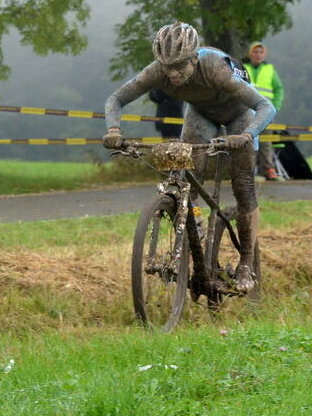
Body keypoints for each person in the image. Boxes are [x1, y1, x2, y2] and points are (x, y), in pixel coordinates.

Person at [104, 22, 276, 293]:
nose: (173, 74)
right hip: (201, 114)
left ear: (194, 58)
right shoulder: (158, 71)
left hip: (240, 115)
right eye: (167, 67)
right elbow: (116, 99)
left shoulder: (216, 70)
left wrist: (246, 135)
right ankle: (194, 233)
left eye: (180, 66)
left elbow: (266, 106)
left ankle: (246, 265)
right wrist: (114, 129)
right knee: (187, 181)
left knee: (243, 185)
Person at [242, 42, 285, 180]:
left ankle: (268, 169)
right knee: (247, 141)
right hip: (247, 111)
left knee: (266, 142)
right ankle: (247, 170)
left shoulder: (270, 69)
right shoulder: (244, 68)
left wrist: (275, 107)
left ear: (264, 54)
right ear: (251, 54)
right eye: (255, 52)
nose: (258, 55)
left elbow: (279, 89)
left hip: (265, 112)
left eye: (261, 52)